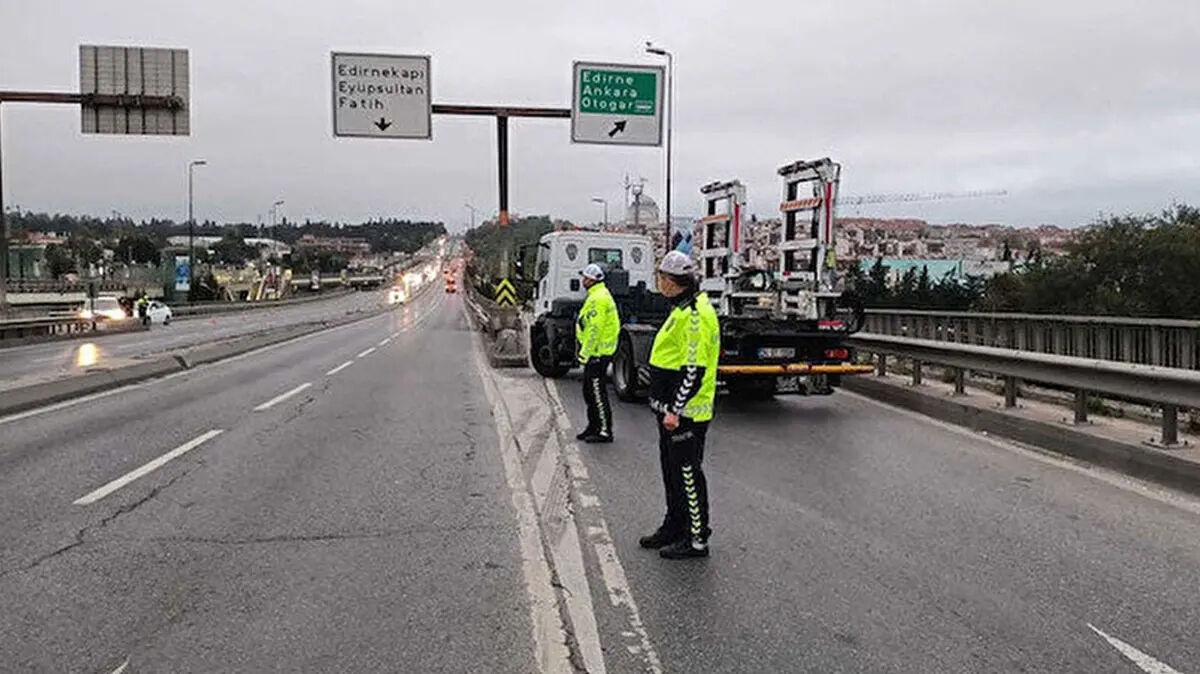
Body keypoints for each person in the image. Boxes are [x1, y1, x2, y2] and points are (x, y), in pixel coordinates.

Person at [639, 251, 720, 559]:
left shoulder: (696, 316)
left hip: (686, 413)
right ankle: (674, 525)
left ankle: (697, 538)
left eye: (662, 277)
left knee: (687, 474)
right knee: (671, 473)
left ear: (674, 283)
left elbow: (693, 371)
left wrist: (675, 409)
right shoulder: (681, 308)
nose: (659, 282)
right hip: (669, 410)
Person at [575, 263, 620, 443]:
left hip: (598, 353)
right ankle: (592, 426)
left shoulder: (599, 298)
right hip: (596, 352)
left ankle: (604, 430)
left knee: (596, 392)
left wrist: (584, 354)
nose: (582, 280)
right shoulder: (597, 295)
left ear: (591, 280)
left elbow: (594, 329)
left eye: (584, 277)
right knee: (589, 392)